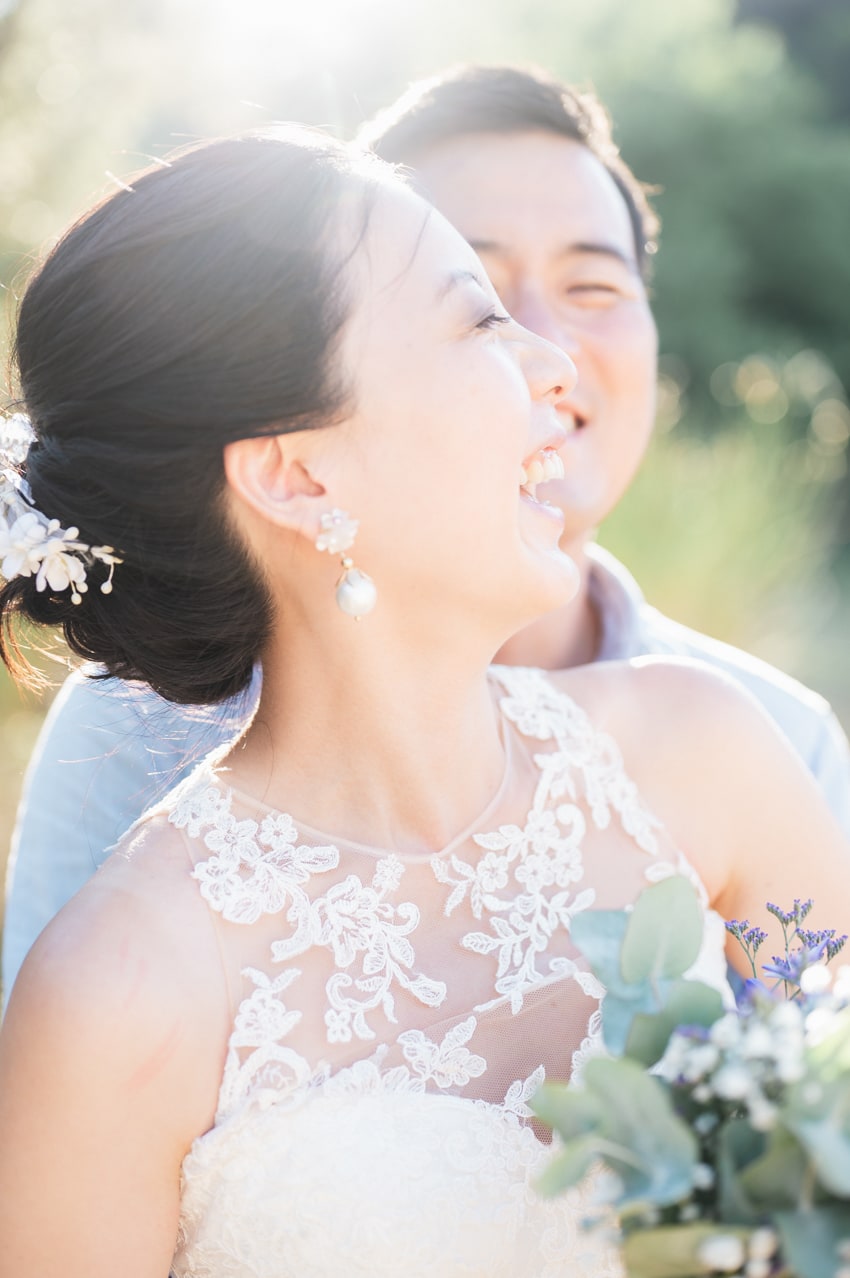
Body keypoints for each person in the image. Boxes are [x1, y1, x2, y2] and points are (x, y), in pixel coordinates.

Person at [1, 125, 850, 1278]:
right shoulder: (116, 994)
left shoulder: (708, 759)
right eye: (477, 322)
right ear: (298, 475)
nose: (553, 367)